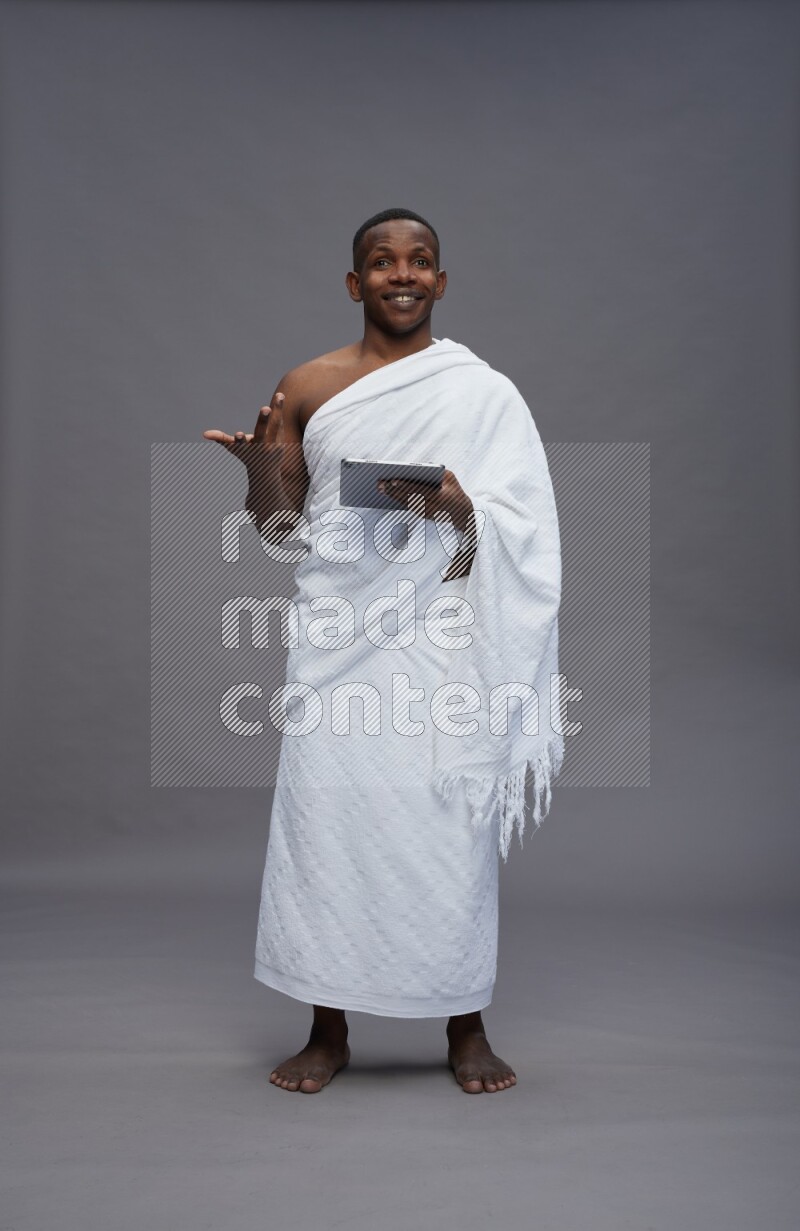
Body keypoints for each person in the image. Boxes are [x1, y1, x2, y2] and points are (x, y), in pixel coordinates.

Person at [204, 208, 562, 1094]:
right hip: (337, 644)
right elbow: (284, 532)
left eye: (421, 261)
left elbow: (522, 532)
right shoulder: (309, 384)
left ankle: (463, 1018)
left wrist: (459, 506)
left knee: (447, 826)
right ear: (355, 282)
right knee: (328, 824)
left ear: (441, 282)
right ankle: (327, 1028)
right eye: (382, 260)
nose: (402, 273)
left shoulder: (485, 393)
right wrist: (259, 473)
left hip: (441, 645)